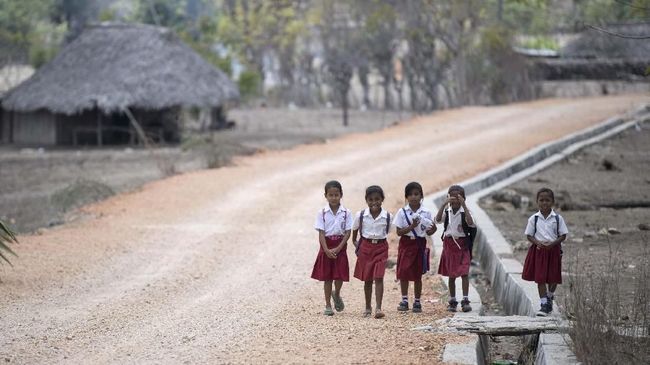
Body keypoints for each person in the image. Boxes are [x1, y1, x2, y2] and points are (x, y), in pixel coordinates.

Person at [522, 187, 568, 316]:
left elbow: (563, 235)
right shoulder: (534, 219)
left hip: (553, 251)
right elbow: (529, 235)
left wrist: (553, 244)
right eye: (541, 200)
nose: (544, 203)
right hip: (539, 251)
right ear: (537, 202)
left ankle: (550, 295)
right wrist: (539, 243)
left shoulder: (558, 219)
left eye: (547, 200)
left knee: (553, 277)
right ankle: (544, 304)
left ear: (552, 202)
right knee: (540, 278)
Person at [394, 182, 437, 313]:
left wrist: (433, 229)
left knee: (418, 273)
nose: (413, 197)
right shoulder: (402, 212)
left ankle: (417, 301)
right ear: (406, 197)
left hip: (419, 243)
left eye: (416, 194)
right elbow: (399, 232)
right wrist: (411, 227)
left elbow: (428, 231)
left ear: (421, 196)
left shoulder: (426, 212)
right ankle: (405, 299)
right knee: (404, 272)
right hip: (406, 243)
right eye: (411, 194)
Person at [311, 180, 352, 316]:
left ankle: (337, 293)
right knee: (327, 277)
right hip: (326, 247)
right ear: (326, 196)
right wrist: (326, 250)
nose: (333, 198)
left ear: (341, 195)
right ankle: (328, 304)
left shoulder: (346, 212)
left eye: (336, 195)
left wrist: (339, 247)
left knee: (339, 275)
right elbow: (321, 233)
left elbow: (347, 232)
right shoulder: (322, 213)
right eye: (331, 195)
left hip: (340, 246)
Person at [435, 184, 476, 312]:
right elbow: (437, 220)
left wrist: (464, 206)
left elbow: (471, 223)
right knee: (451, 275)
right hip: (449, 245)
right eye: (452, 198)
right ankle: (452, 300)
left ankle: (465, 299)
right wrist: (443, 205)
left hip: (463, 245)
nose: (455, 200)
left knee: (464, 273)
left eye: (458, 198)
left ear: (463, 198)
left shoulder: (466, 211)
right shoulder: (447, 212)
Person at [353, 185, 391, 319]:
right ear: (366, 200)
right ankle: (368, 307)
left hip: (381, 248)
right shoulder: (361, 215)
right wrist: (356, 243)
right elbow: (355, 230)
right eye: (370, 199)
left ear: (382, 200)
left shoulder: (387, 216)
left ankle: (378, 308)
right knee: (368, 279)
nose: (374, 202)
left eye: (377, 199)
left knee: (379, 277)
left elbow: (387, 232)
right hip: (366, 248)